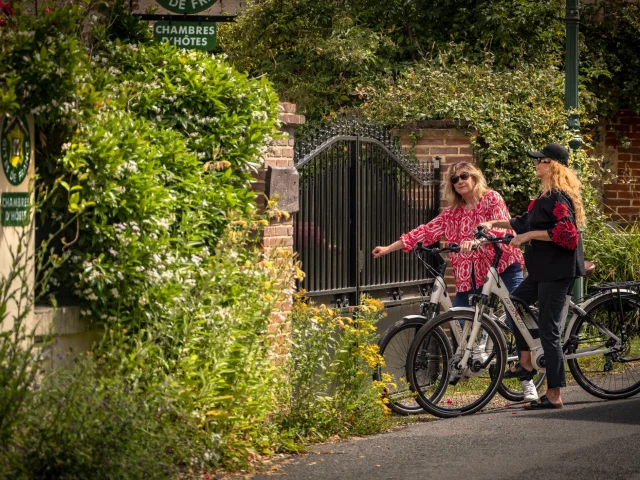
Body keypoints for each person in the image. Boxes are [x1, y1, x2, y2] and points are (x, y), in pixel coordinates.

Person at [371, 161, 532, 396]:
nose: (459, 182)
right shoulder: (452, 213)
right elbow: (425, 231)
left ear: (475, 177)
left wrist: (479, 239)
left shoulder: (491, 199)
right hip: (470, 276)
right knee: (457, 320)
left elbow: (505, 229)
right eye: (454, 179)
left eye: (464, 176)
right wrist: (388, 248)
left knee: (516, 315)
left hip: (503, 266)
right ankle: (471, 360)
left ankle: (527, 375)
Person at [479, 143, 585, 409]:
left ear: (554, 165)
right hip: (541, 270)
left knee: (549, 331)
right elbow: (525, 221)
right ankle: (526, 359)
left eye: (542, 160)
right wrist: (494, 224)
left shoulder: (559, 197)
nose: (536, 164)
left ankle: (554, 395)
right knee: (513, 304)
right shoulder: (545, 197)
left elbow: (567, 234)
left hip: (556, 271)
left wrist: (528, 236)